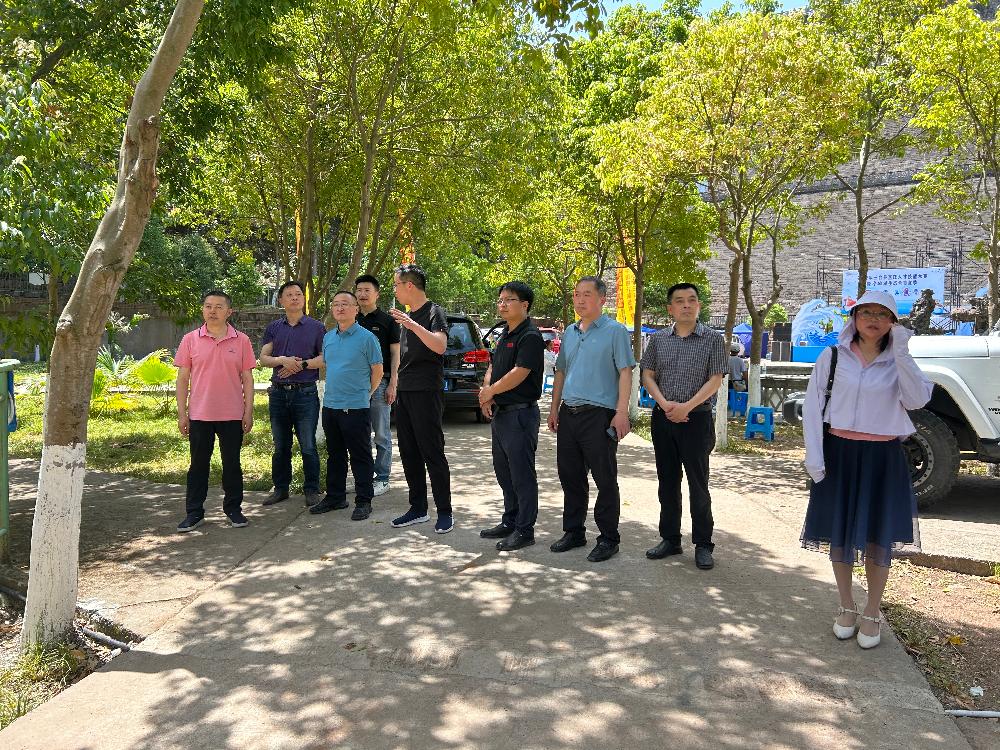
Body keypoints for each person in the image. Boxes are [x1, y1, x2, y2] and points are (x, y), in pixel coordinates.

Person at [802, 289, 932, 649]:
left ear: (892, 322)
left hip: (882, 458)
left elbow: (917, 400)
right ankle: (846, 605)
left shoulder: (899, 360)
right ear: (855, 318)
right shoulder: (832, 356)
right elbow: (813, 407)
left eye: (881, 314)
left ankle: (873, 610)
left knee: (878, 536)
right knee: (839, 533)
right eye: (866, 313)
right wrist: (815, 458)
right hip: (839, 453)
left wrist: (901, 352)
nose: (873, 319)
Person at [547, 276, 635, 562]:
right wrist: (554, 408)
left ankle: (609, 538)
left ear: (602, 299)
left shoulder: (615, 331)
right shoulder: (570, 332)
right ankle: (574, 532)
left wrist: (621, 413)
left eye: (587, 294)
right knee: (570, 476)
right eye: (576, 294)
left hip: (599, 415)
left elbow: (625, 372)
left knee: (604, 479)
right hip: (569, 413)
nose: (580, 299)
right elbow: (561, 372)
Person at [640, 283, 727, 571]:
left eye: (691, 300)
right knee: (667, 482)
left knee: (698, 484)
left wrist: (686, 407)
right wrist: (665, 404)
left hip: (696, 419)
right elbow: (647, 375)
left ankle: (703, 544)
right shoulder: (658, 339)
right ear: (670, 308)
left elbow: (716, 379)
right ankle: (670, 539)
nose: (686, 305)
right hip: (663, 418)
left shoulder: (713, 339)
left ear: (699, 305)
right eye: (679, 301)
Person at [174, 290, 257, 532]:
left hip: (232, 414)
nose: (213, 311)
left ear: (229, 312)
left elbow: (248, 378)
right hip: (200, 414)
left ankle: (233, 509)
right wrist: (182, 413)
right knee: (198, 465)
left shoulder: (241, 340)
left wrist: (248, 411)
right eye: (208, 306)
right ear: (203, 310)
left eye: (219, 307)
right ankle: (194, 513)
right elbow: (182, 379)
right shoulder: (190, 339)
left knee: (232, 464)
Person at [303, 291, 383, 520]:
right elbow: (327, 363)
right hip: (331, 406)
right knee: (335, 455)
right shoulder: (328, 337)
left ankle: (364, 500)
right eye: (336, 304)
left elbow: (377, 371)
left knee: (360, 456)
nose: (340, 308)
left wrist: (365, 394)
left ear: (356, 309)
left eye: (345, 304)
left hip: (356, 407)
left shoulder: (367, 338)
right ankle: (336, 497)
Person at [478, 281, 545, 551]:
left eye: (509, 300)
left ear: (524, 305)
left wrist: (491, 391)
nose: (502, 304)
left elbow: (520, 372)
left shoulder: (530, 336)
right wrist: (487, 392)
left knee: (521, 475)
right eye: (500, 300)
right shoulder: (505, 332)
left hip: (521, 415)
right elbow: (493, 365)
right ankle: (510, 521)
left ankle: (525, 530)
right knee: (504, 472)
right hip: (501, 414)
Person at [387, 264, 454, 533]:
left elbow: (440, 345)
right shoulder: (407, 317)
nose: (394, 290)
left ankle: (445, 511)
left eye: (396, 285)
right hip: (405, 391)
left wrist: (412, 325)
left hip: (426, 391)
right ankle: (418, 508)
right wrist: (394, 383)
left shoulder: (434, 312)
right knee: (409, 452)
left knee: (432, 451)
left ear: (409, 285)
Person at [258, 280, 326, 507]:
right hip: (278, 394)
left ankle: (312, 489)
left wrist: (300, 365)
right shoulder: (274, 327)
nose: (295, 298)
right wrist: (282, 360)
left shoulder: (317, 327)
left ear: (303, 299)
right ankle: (281, 488)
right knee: (280, 446)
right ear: (281, 300)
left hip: (305, 393)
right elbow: (263, 358)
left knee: (308, 445)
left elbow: (324, 358)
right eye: (289, 294)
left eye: (298, 294)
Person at [354, 274, 400, 497]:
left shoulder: (387, 321)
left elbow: (395, 354)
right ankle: (363, 478)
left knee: (381, 433)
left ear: (377, 294)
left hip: (381, 383)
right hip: (354, 385)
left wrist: (393, 383)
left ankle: (382, 477)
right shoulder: (350, 319)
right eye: (359, 290)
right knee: (357, 433)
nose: (362, 294)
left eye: (367, 290)